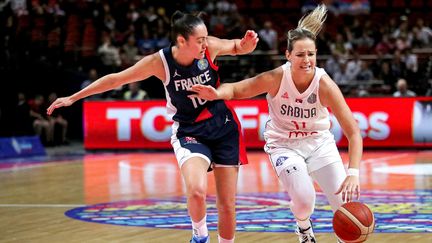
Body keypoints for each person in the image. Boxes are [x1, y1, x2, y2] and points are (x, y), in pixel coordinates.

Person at [47, 10, 258, 243]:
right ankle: (200, 236)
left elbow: (238, 46)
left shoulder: (209, 47)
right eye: (199, 40)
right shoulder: (159, 62)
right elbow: (116, 79)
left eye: (205, 38)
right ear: (181, 40)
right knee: (197, 191)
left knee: (227, 205)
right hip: (190, 131)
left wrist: (247, 44)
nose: (204, 43)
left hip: (223, 127)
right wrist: (74, 97)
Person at [189, 5, 362, 243]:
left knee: (347, 210)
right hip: (284, 145)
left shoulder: (325, 84)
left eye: (311, 54)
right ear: (288, 55)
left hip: (320, 144)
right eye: (300, 55)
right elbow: (239, 89)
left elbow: (353, 132)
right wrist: (216, 93)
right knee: (304, 201)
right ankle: (304, 227)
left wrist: (353, 173)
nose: (306, 60)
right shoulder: (276, 78)